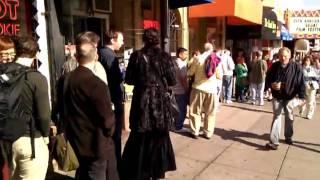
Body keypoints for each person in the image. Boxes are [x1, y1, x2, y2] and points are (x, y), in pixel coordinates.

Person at [122, 28, 177, 180]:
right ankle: (158, 170)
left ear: (144, 40)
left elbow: (129, 80)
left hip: (142, 101)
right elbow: (172, 80)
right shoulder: (164, 57)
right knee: (159, 135)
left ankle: (141, 170)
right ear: (157, 39)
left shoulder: (136, 56)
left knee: (140, 137)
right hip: (159, 101)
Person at [62, 32, 118, 180]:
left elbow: (62, 108)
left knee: (82, 173)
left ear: (77, 57)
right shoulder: (96, 84)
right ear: (96, 56)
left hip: (76, 140)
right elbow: (107, 119)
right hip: (96, 144)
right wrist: (109, 132)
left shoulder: (67, 79)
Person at [0, 36, 51, 179]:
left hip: (6, 140)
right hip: (30, 140)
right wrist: (46, 136)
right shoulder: (37, 78)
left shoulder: (2, 73)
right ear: (36, 55)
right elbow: (44, 115)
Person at [265, 47, 305, 150]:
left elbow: (301, 82)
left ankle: (288, 136)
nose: (283, 58)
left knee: (289, 117)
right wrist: (271, 85)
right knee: (276, 117)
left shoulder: (296, 67)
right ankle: (274, 141)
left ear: (290, 56)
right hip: (277, 96)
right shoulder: (274, 66)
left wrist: (302, 96)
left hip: (290, 96)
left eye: (285, 56)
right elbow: (268, 78)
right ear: (278, 56)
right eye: (281, 56)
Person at [99, 31, 124, 170]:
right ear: (113, 40)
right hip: (113, 98)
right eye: (121, 40)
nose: (122, 43)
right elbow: (116, 79)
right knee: (115, 134)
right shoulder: (109, 56)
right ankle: (115, 164)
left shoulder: (101, 52)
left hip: (107, 98)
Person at [187, 42, 218, 139]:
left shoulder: (198, 58)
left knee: (195, 111)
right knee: (210, 112)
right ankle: (208, 133)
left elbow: (190, 73)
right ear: (212, 49)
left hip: (198, 88)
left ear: (204, 49)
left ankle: (195, 131)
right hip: (212, 89)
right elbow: (220, 75)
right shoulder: (216, 59)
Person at [172, 47, 188, 132]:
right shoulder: (182, 64)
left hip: (173, 89)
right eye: (185, 54)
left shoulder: (173, 62)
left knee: (175, 108)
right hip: (180, 90)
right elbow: (183, 79)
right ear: (179, 54)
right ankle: (178, 126)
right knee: (181, 109)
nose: (186, 55)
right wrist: (186, 89)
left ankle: (175, 125)